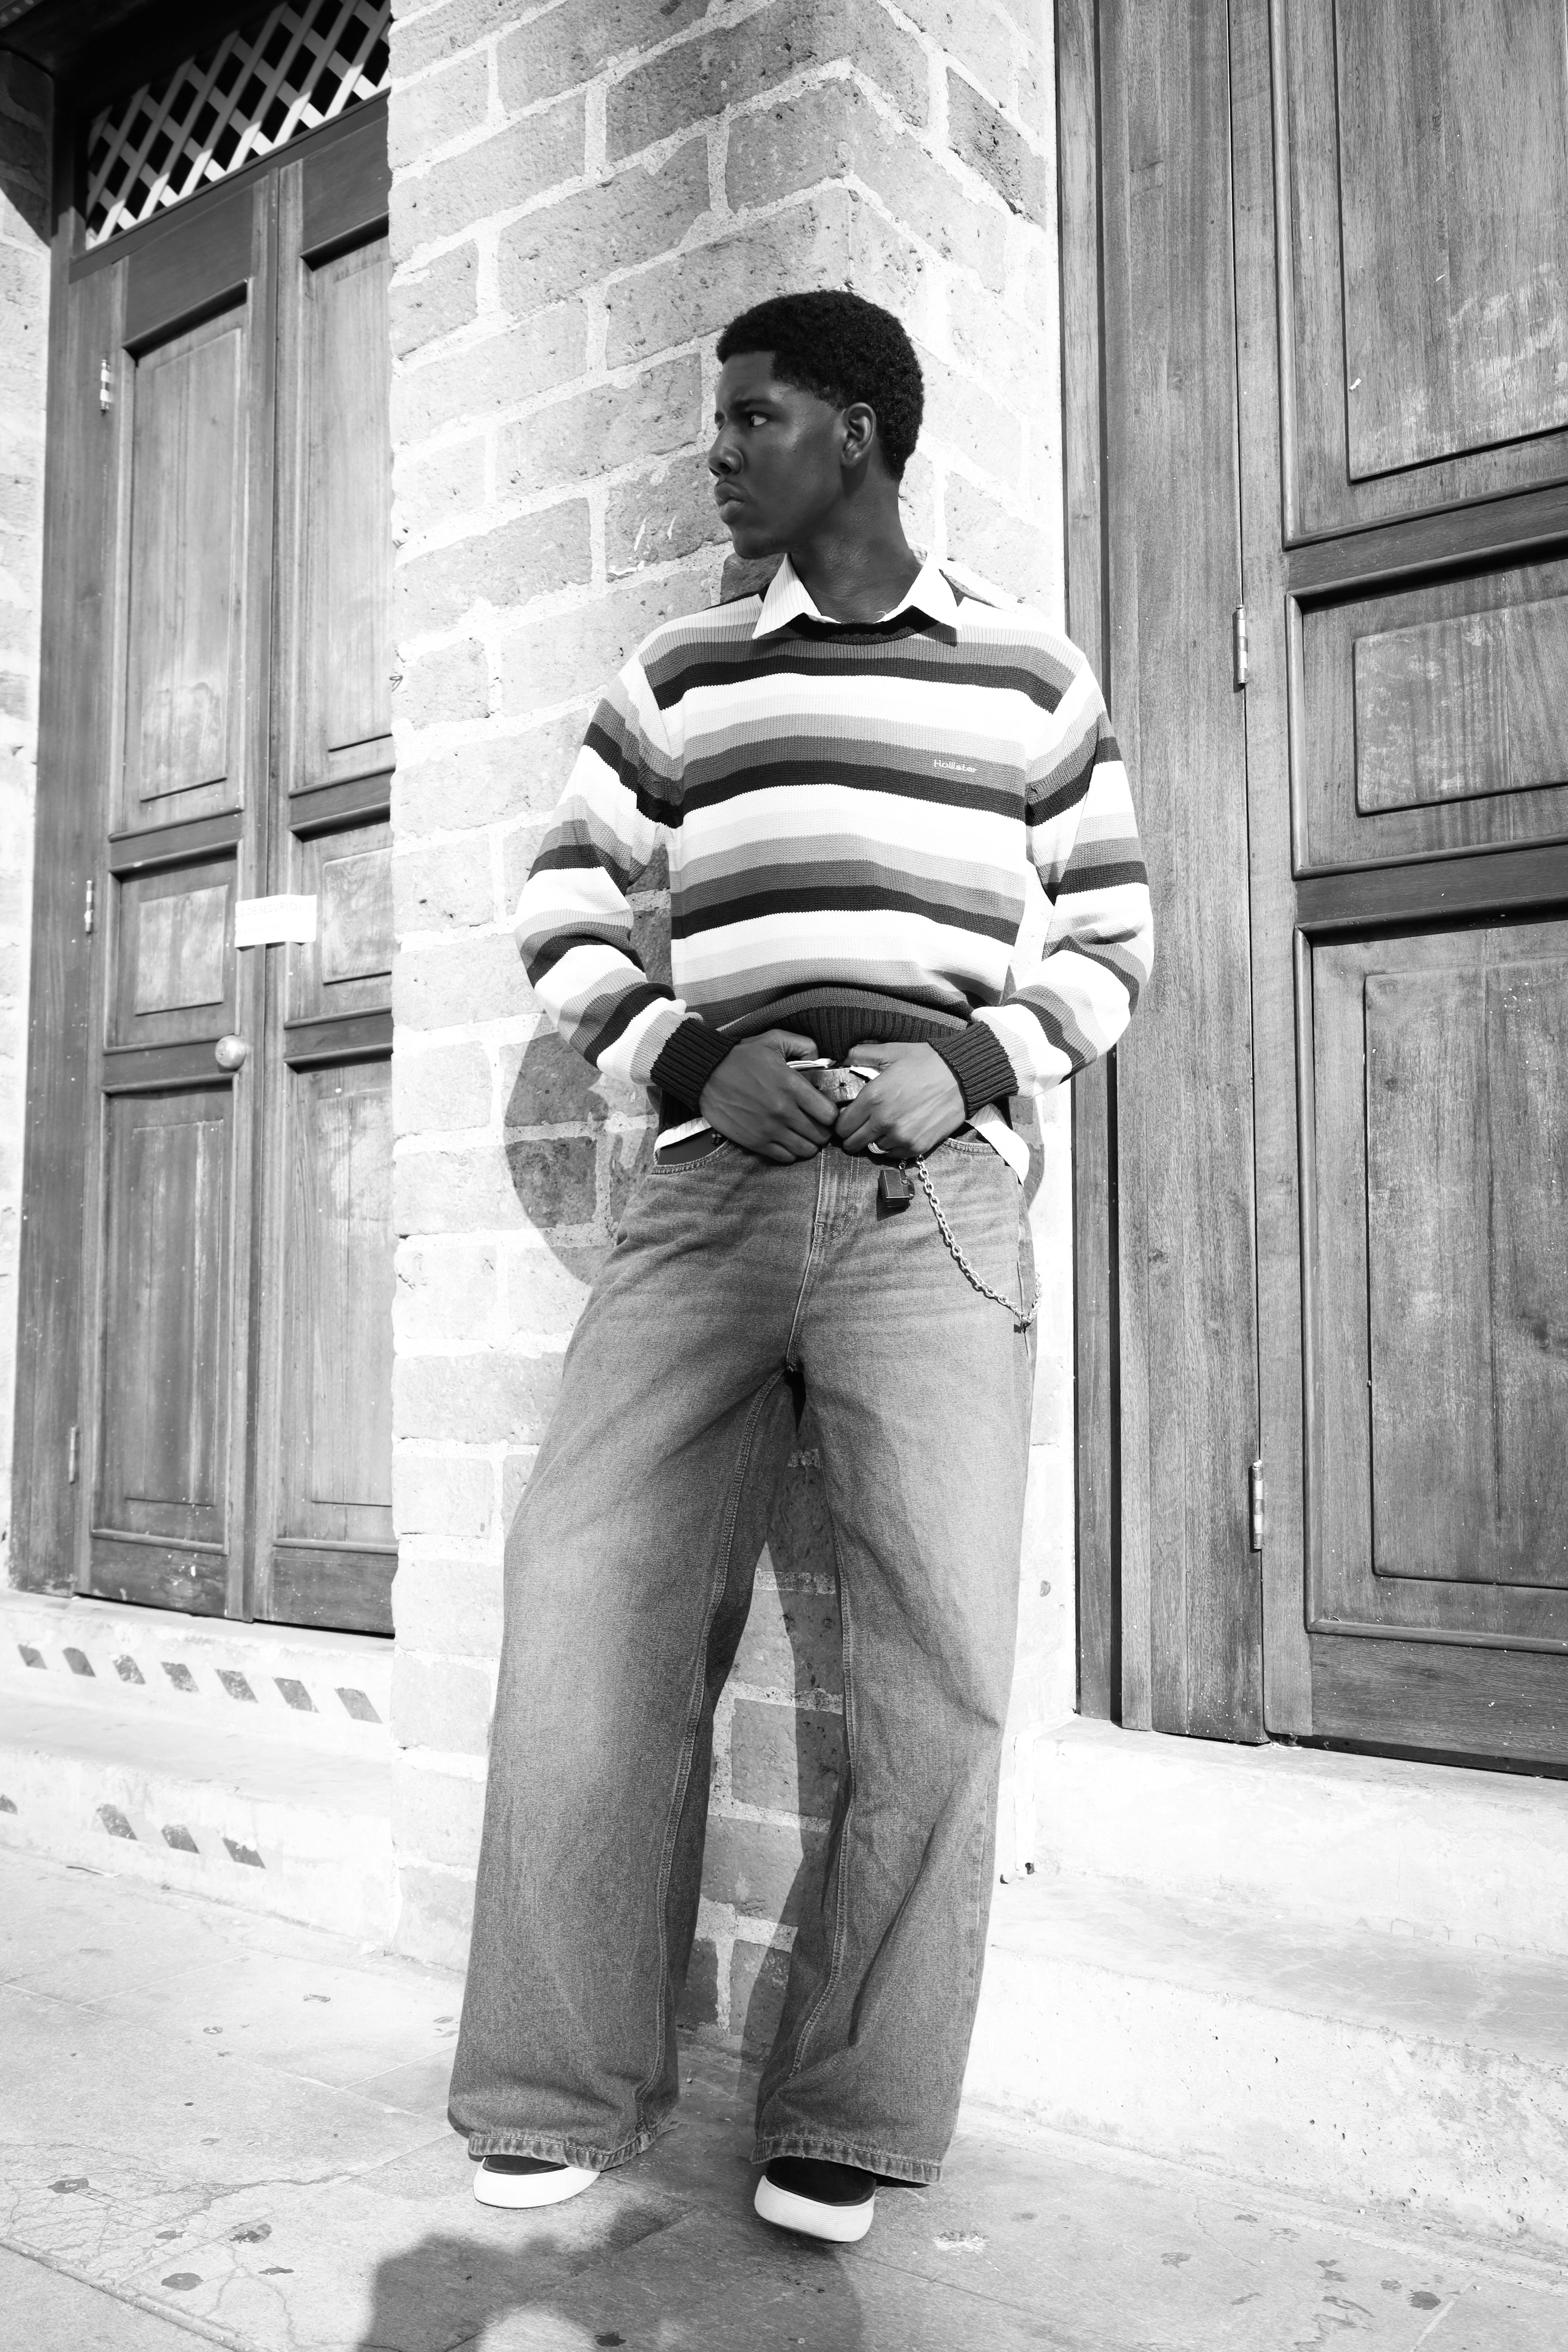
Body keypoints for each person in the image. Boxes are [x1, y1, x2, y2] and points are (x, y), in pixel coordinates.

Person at [448, 288, 1152, 2245]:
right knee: (588, 1588)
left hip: (936, 1213)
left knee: (939, 1648)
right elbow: (567, 897)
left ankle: (854, 2105)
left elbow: (1107, 940)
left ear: (854, 432)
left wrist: (968, 1066)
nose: (718, 452)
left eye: (750, 419)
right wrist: (688, 1053)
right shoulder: (678, 672)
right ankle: (551, 2078)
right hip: (710, 1198)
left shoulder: (1035, 680)